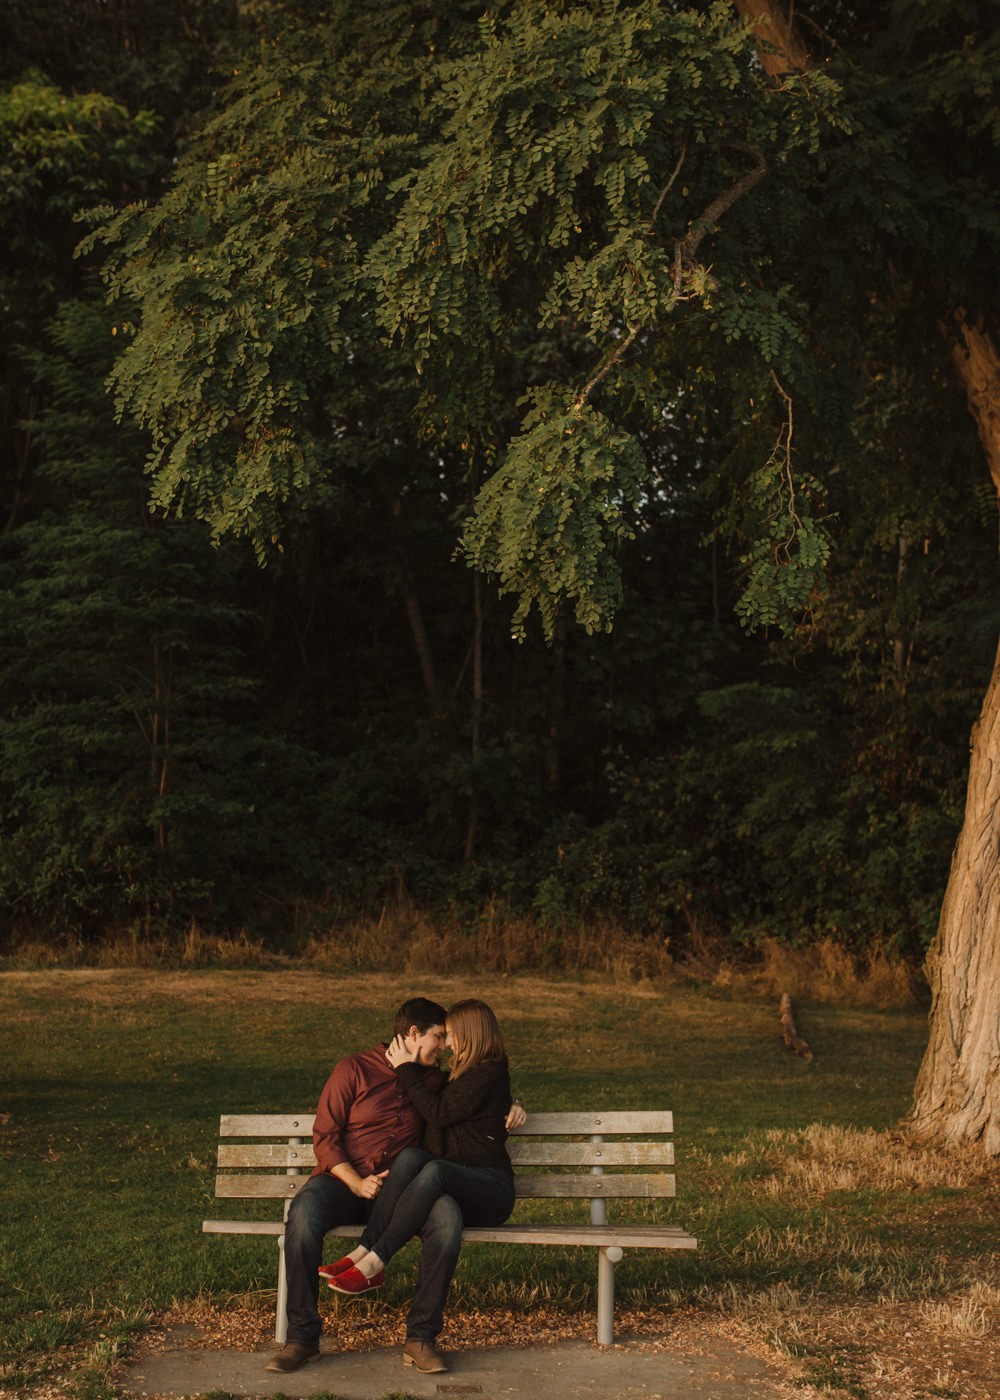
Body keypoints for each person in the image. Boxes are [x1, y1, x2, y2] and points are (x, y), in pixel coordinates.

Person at [265, 996, 523, 1376]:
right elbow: (325, 1137)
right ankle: (302, 1338)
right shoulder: (353, 1069)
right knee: (302, 1215)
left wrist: (513, 1102)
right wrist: (355, 1182)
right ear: (414, 1034)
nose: (444, 1046)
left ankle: (421, 1337)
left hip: (405, 1191)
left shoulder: (433, 1079)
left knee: (447, 1218)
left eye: (448, 1037)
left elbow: (474, 1094)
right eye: (439, 1037)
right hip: (344, 1182)